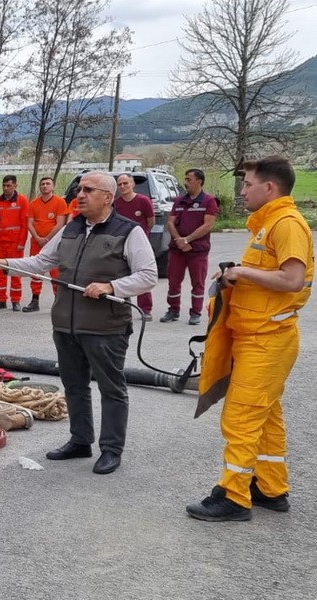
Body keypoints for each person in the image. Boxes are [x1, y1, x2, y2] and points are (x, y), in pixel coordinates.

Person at [0, 172, 157, 474]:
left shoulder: (129, 231)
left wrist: (111, 287)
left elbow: (148, 275)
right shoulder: (72, 229)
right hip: (66, 325)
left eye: (88, 190)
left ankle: (111, 449)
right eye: (79, 189)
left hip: (106, 329)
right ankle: (80, 440)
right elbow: (39, 262)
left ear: (107, 198)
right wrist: (3, 264)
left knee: (112, 389)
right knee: (74, 386)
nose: (80, 195)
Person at [186, 156, 313, 522]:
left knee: (241, 417)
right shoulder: (269, 223)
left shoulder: (286, 224)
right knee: (266, 414)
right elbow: (269, 275)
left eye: (247, 185)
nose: (241, 192)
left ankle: (234, 496)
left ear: (269, 188)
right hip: (257, 336)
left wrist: (242, 271)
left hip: (268, 339)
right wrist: (238, 277)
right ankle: (271, 488)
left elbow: (291, 279)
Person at [161, 168, 218, 325]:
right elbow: (170, 222)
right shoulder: (179, 201)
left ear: (199, 181)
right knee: (173, 281)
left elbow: (208, 225)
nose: (185, 182)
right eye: (185, 179)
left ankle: (195, 313)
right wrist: (179, 239)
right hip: (177, 249)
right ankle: (173, 310)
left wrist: (188, 239)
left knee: (197, 283)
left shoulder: (209, 201)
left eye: (188, 179)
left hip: (198, 250)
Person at [113, 174, 155, 320]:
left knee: (141, 275)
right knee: (121, 276)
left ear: (132, 184)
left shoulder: (143, 201)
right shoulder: (116, 203)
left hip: (139, 246)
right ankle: (121, 306)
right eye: (120, 184)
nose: (123, 186)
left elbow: (150, 221)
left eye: (126, 183)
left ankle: (146, 309)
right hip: (121, 244)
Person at [24, 176, 69, 312]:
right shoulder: (33, 203)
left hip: (54, 243)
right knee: (36, 272)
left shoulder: (60, 202)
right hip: (36, 242)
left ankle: (58, 302)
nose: (45, 186)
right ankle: (35, 300)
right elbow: (30, 223)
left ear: (53, 187)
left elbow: (60, 223)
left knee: (55, 273)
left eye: (48, 183)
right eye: (42, 184)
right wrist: (37, 237)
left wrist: (48, 239)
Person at [0, 175, 30, 311]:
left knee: (15, 272)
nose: (6, 188)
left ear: (15, 186)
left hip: (14, 243)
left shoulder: (22, 201)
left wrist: (21, 243)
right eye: (4, 185)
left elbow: (24, 225)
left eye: (9, 186)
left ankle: (15, 300)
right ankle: (1, 300)